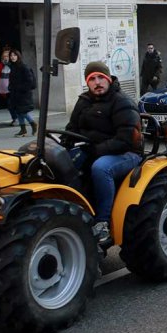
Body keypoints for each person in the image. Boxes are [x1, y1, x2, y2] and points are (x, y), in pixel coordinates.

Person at [66, 61, 143, 243]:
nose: (97, 82)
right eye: (92, 79)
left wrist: (96, 151)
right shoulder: (83, 101)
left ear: (108, 79)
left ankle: (102, 223)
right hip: (93, 149)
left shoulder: (122, 101)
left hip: (126, 152)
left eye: (101, 77)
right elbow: (72, 128)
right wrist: (65, 144)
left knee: (101, 168)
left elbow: (125, 139)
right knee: (61, 162)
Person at [7, 49, 37, 137]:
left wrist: (20, 88)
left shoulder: (24, 67)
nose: (12, 57)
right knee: (18, 111)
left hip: (23, 94)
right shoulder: (12, 67)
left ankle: (33, 124)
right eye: (11, 55)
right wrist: (10, 87)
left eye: (14, 55)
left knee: (23, 111)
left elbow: (29, 81)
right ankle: (23, 130)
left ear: (18, 56)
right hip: (15, 94)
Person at [0, 49, 17, 126]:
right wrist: (1, 82)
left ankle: (21, 119)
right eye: (4, 56)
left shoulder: (14, 64)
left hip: (15, 88)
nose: (5, 57)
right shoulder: (1, 65)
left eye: (7, 56)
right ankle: (15, 118)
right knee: (10, 105)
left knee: (15, 105)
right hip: (6, 89)